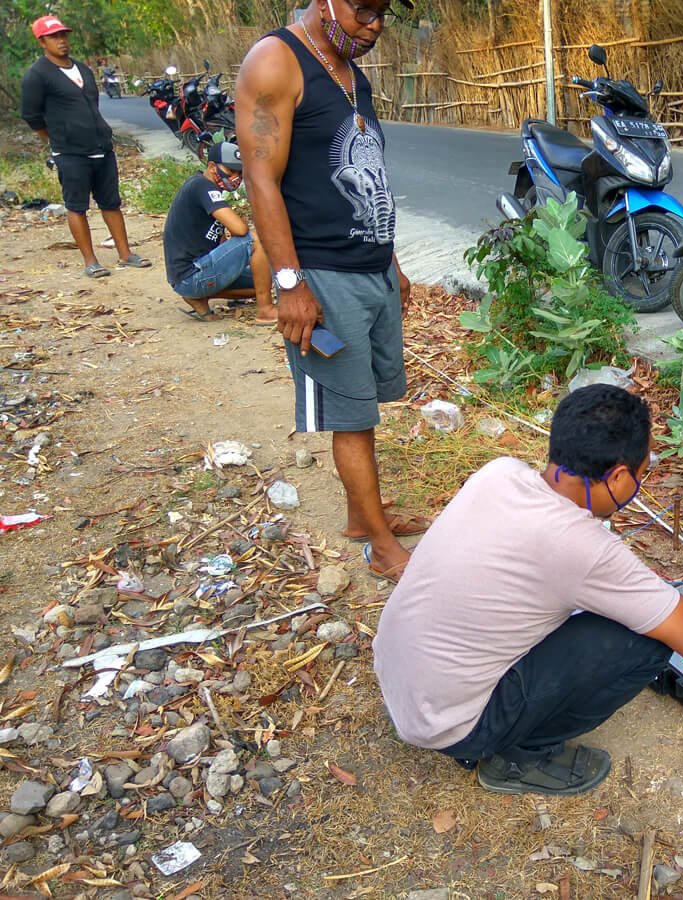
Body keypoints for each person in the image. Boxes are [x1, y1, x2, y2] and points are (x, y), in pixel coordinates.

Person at [373, 385, 683, 795]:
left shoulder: (499, 473)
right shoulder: (582, 548)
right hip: (450, 725)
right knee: (646, 642)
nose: (640, 483)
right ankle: (521, 756)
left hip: (400, 680)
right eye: (641, 474)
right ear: (618, 476)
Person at [236, 0, 421, 582]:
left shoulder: (350, 73)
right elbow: (260, 178)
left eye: (383, 13)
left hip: (371, 268)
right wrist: (290, 283)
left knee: (368, 402)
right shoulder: (276, 61)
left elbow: (371, 177)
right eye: (363, 9)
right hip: (321, 272)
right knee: (350, 414)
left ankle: (364, 517)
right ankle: (380, 547)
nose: (374, 25)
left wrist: (391, 258)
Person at [19, 15, 152, 278]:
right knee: (76, 206)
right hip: (70, 153)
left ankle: (126, 254)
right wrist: (55, 139)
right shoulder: (37, 75)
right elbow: (31, 116)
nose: (61, 40)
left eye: (63, 35)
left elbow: (92, 105)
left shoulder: (83, 69)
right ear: (42, 42)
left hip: (101, 147)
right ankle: (91, 261)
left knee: (111, 202)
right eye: (54, 37)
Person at [162, 141, 276, 324]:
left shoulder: (204, 188)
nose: (236, 178)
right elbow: (240, 230)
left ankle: (199, 297)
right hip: (192, 274)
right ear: (212, 167)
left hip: (189, 278)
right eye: (231, 171)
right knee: (254, 240)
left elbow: (221, 243)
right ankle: (265, 311)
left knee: (264, 280)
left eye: (240, 173)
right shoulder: (202, 186)